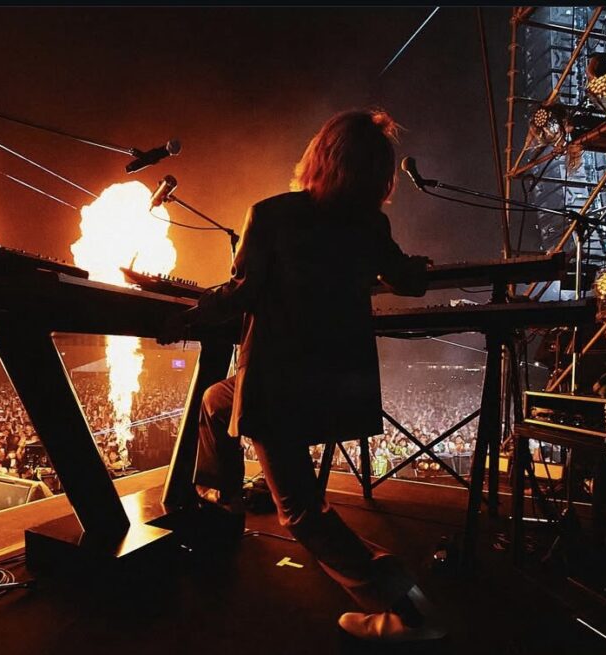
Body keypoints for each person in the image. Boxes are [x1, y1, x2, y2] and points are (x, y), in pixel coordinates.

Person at [160, 109, 445, 642]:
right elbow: (408, 281)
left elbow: (240, 293)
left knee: (300, 514)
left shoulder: (270, 214)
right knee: (217, 400)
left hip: (279, 387)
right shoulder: (371, 225)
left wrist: (190, 313)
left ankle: (408, 609)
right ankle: (225, 506)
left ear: (320, 156)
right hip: (334, 387)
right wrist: (416, 267)